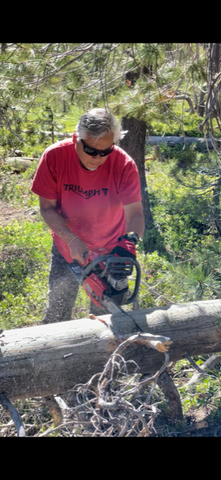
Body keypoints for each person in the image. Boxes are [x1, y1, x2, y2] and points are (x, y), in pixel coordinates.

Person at [31, 107, 145, 323]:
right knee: (58, 312)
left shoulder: (123, 164)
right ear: (76, 138)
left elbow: (136, 214)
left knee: (110, 320)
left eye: (106, 151)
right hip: (68, 245)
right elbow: (47, 207)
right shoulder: (55, 157)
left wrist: (129, 242)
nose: (98, 158)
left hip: (112, 252)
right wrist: (71, 239)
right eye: (92, 151)